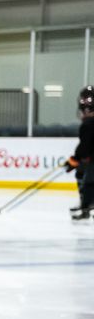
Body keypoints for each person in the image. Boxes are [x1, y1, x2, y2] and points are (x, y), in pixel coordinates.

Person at [67, 85, 94, 220]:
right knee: (83, 175)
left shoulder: (88, 124)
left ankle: (86, 207)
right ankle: (86, 205)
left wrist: (75, 159)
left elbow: (85, 146)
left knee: (88, 181)